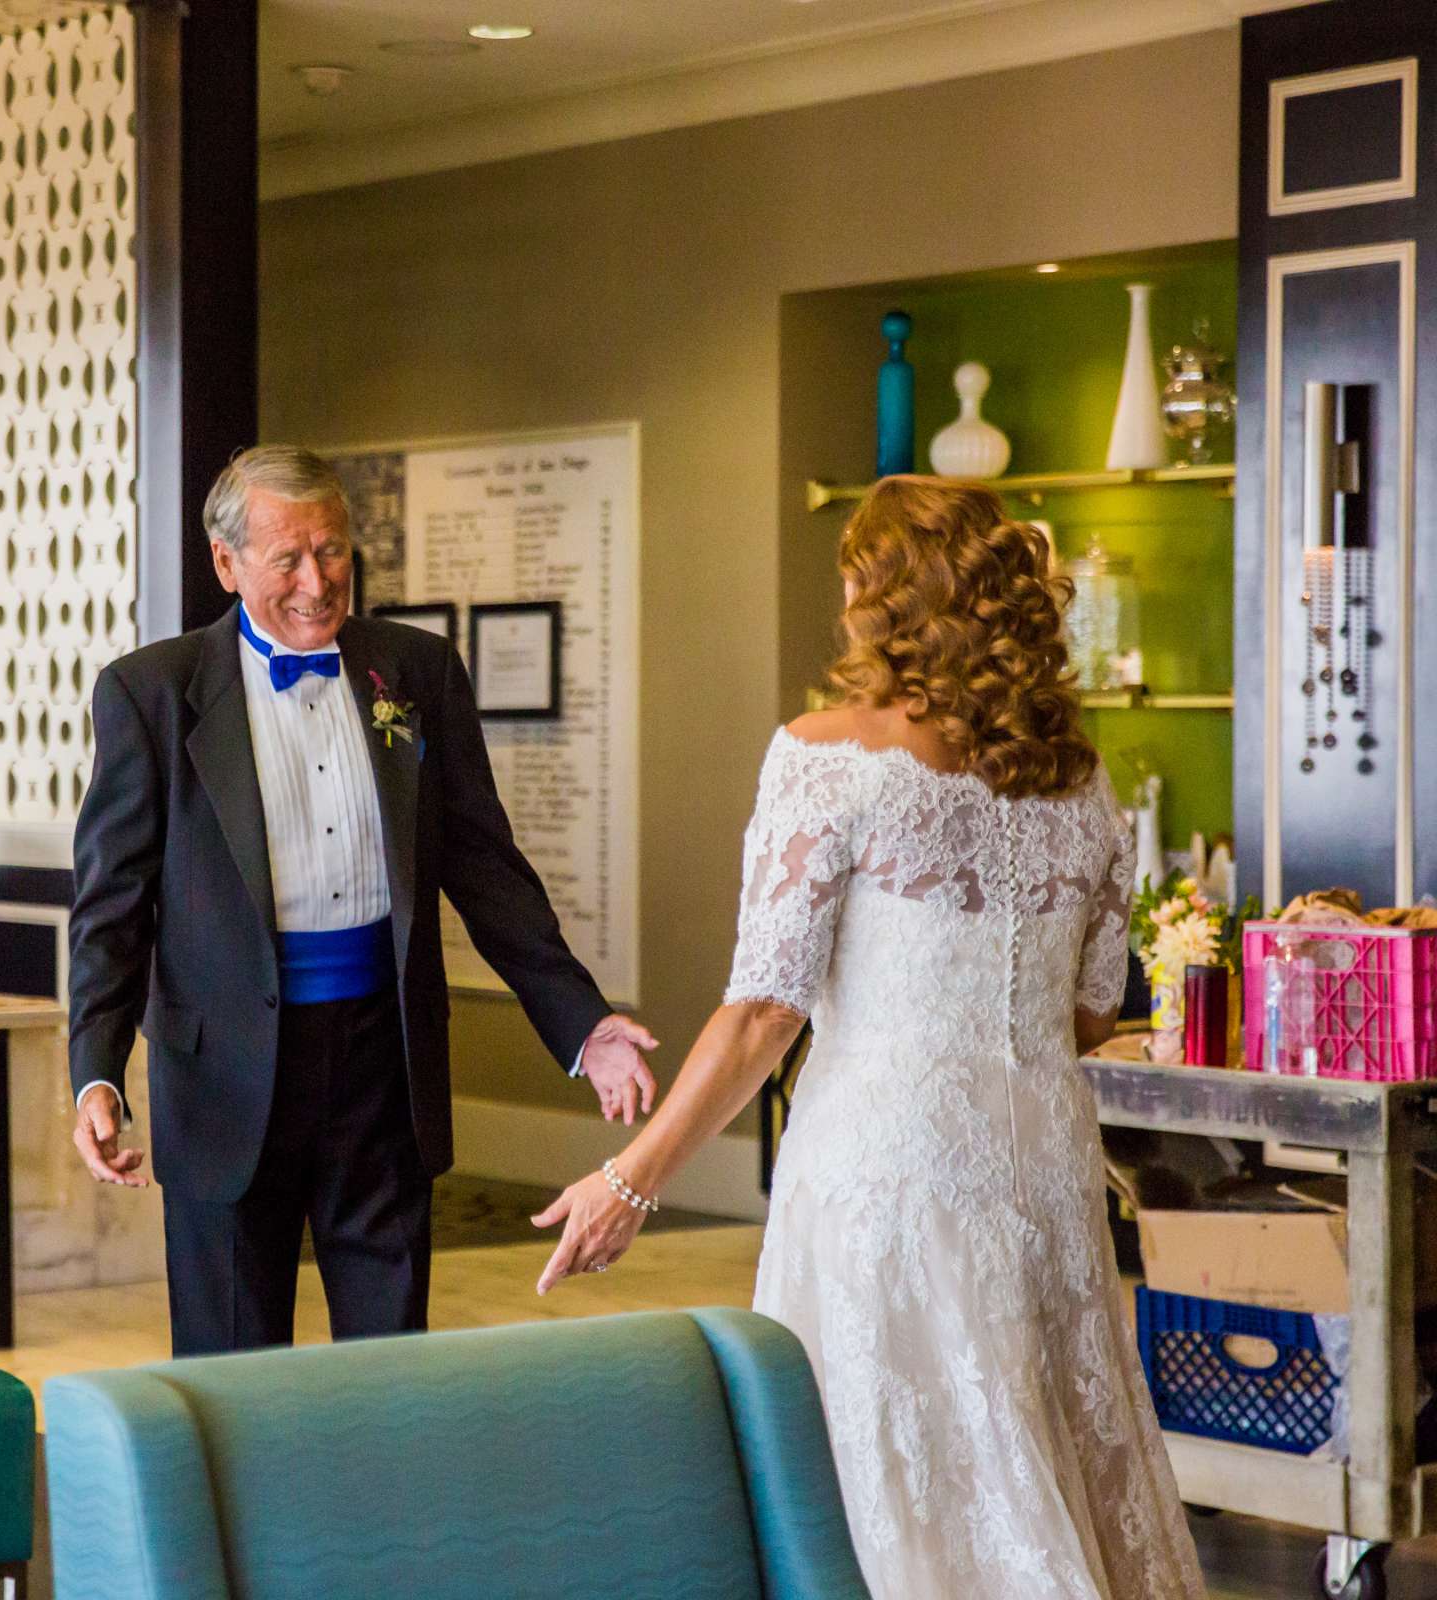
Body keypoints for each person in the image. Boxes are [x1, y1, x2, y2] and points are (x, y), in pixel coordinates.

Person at [535, 476, 1204, 1598]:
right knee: (1038, 1445)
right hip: (1040, 1165)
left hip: (887, 1175)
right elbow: (1092, 1011)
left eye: (855, 574)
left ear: (885, 598)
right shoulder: (1082, 781)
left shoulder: (826, 757)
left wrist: (631, 1180)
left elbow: (763, 1012)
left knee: (890, 1475)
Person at [68, 444, 659, 1357]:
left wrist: (583, 1025)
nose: (319, 580)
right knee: (233, 1368)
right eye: (288, 558)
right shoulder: (150, 693)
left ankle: (380, 1504)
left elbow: (485, 866)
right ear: (226, 565)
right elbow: (112, 907)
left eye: (334, 551)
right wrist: (96, 1072)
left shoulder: (415, 670)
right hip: (224, 1075)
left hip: (384, 1061)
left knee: (390, 1359)